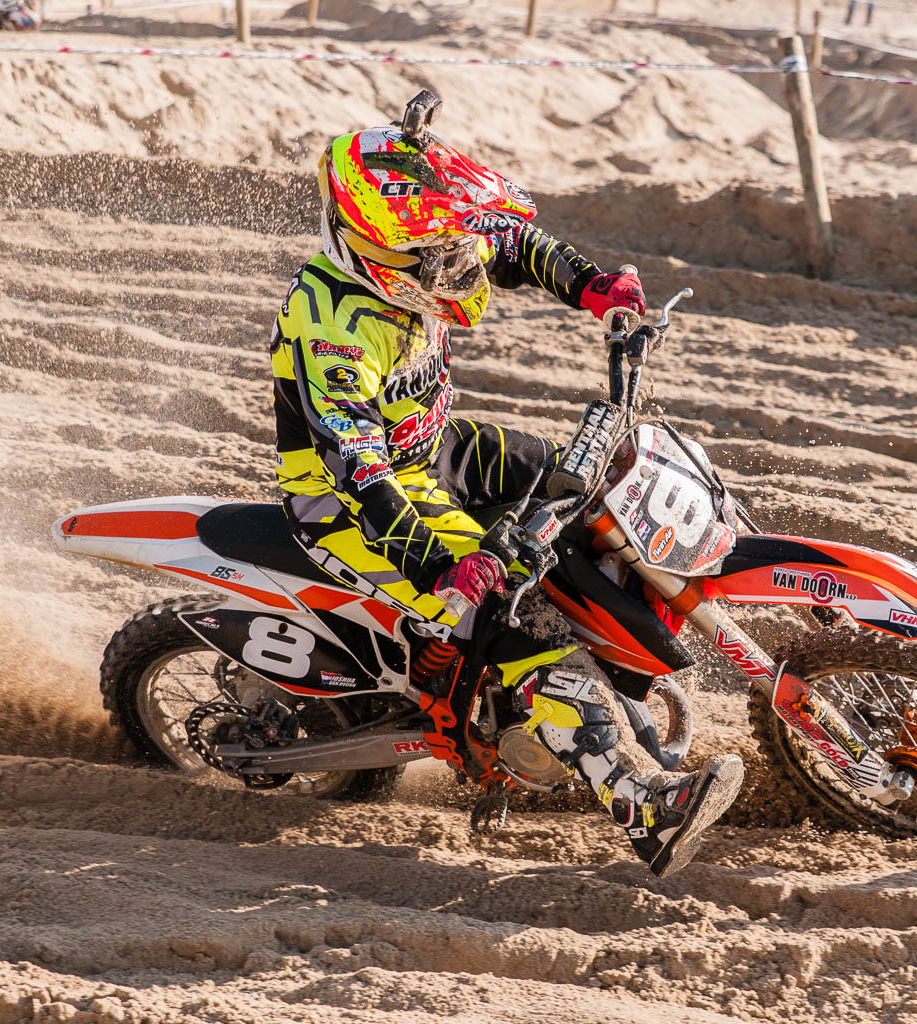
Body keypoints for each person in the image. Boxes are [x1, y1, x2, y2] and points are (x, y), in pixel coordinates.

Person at [268, 94, 745, 878]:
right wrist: (442, 568)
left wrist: (595, 287)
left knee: (592, 485)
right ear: (373, 252)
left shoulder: (423, 238)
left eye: (455, 247)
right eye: (441, 258)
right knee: (523, 628)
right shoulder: (333, 330)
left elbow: (512, 239)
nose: (461, 265)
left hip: (436, 448)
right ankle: (640, 806)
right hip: (358, 501)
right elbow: (359, 469)